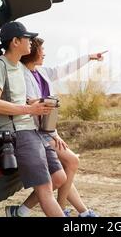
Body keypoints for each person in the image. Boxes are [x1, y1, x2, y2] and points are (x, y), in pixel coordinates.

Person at [0, 21, 66, 217]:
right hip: (18, 133)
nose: (31, 42)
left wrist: (42, 104)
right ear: (15, 41)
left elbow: (24, 99)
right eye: (27, 38)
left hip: (33, 130)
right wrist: (29, 108)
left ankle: (19, 213)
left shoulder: (20, 68)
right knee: (45, 189)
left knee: (59, 177)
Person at [19, 37, 106, 217]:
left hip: (47, 130)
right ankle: (63, 210)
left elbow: (66, 68)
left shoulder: (41, 72)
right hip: (36, 132)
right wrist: (53, 134)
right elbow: (30, 107)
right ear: (32, 52)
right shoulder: (21, 75)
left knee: (66, 170)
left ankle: (79, 212)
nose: (44, 53)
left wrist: (89, 57)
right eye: (41, 50)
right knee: (72, 162)